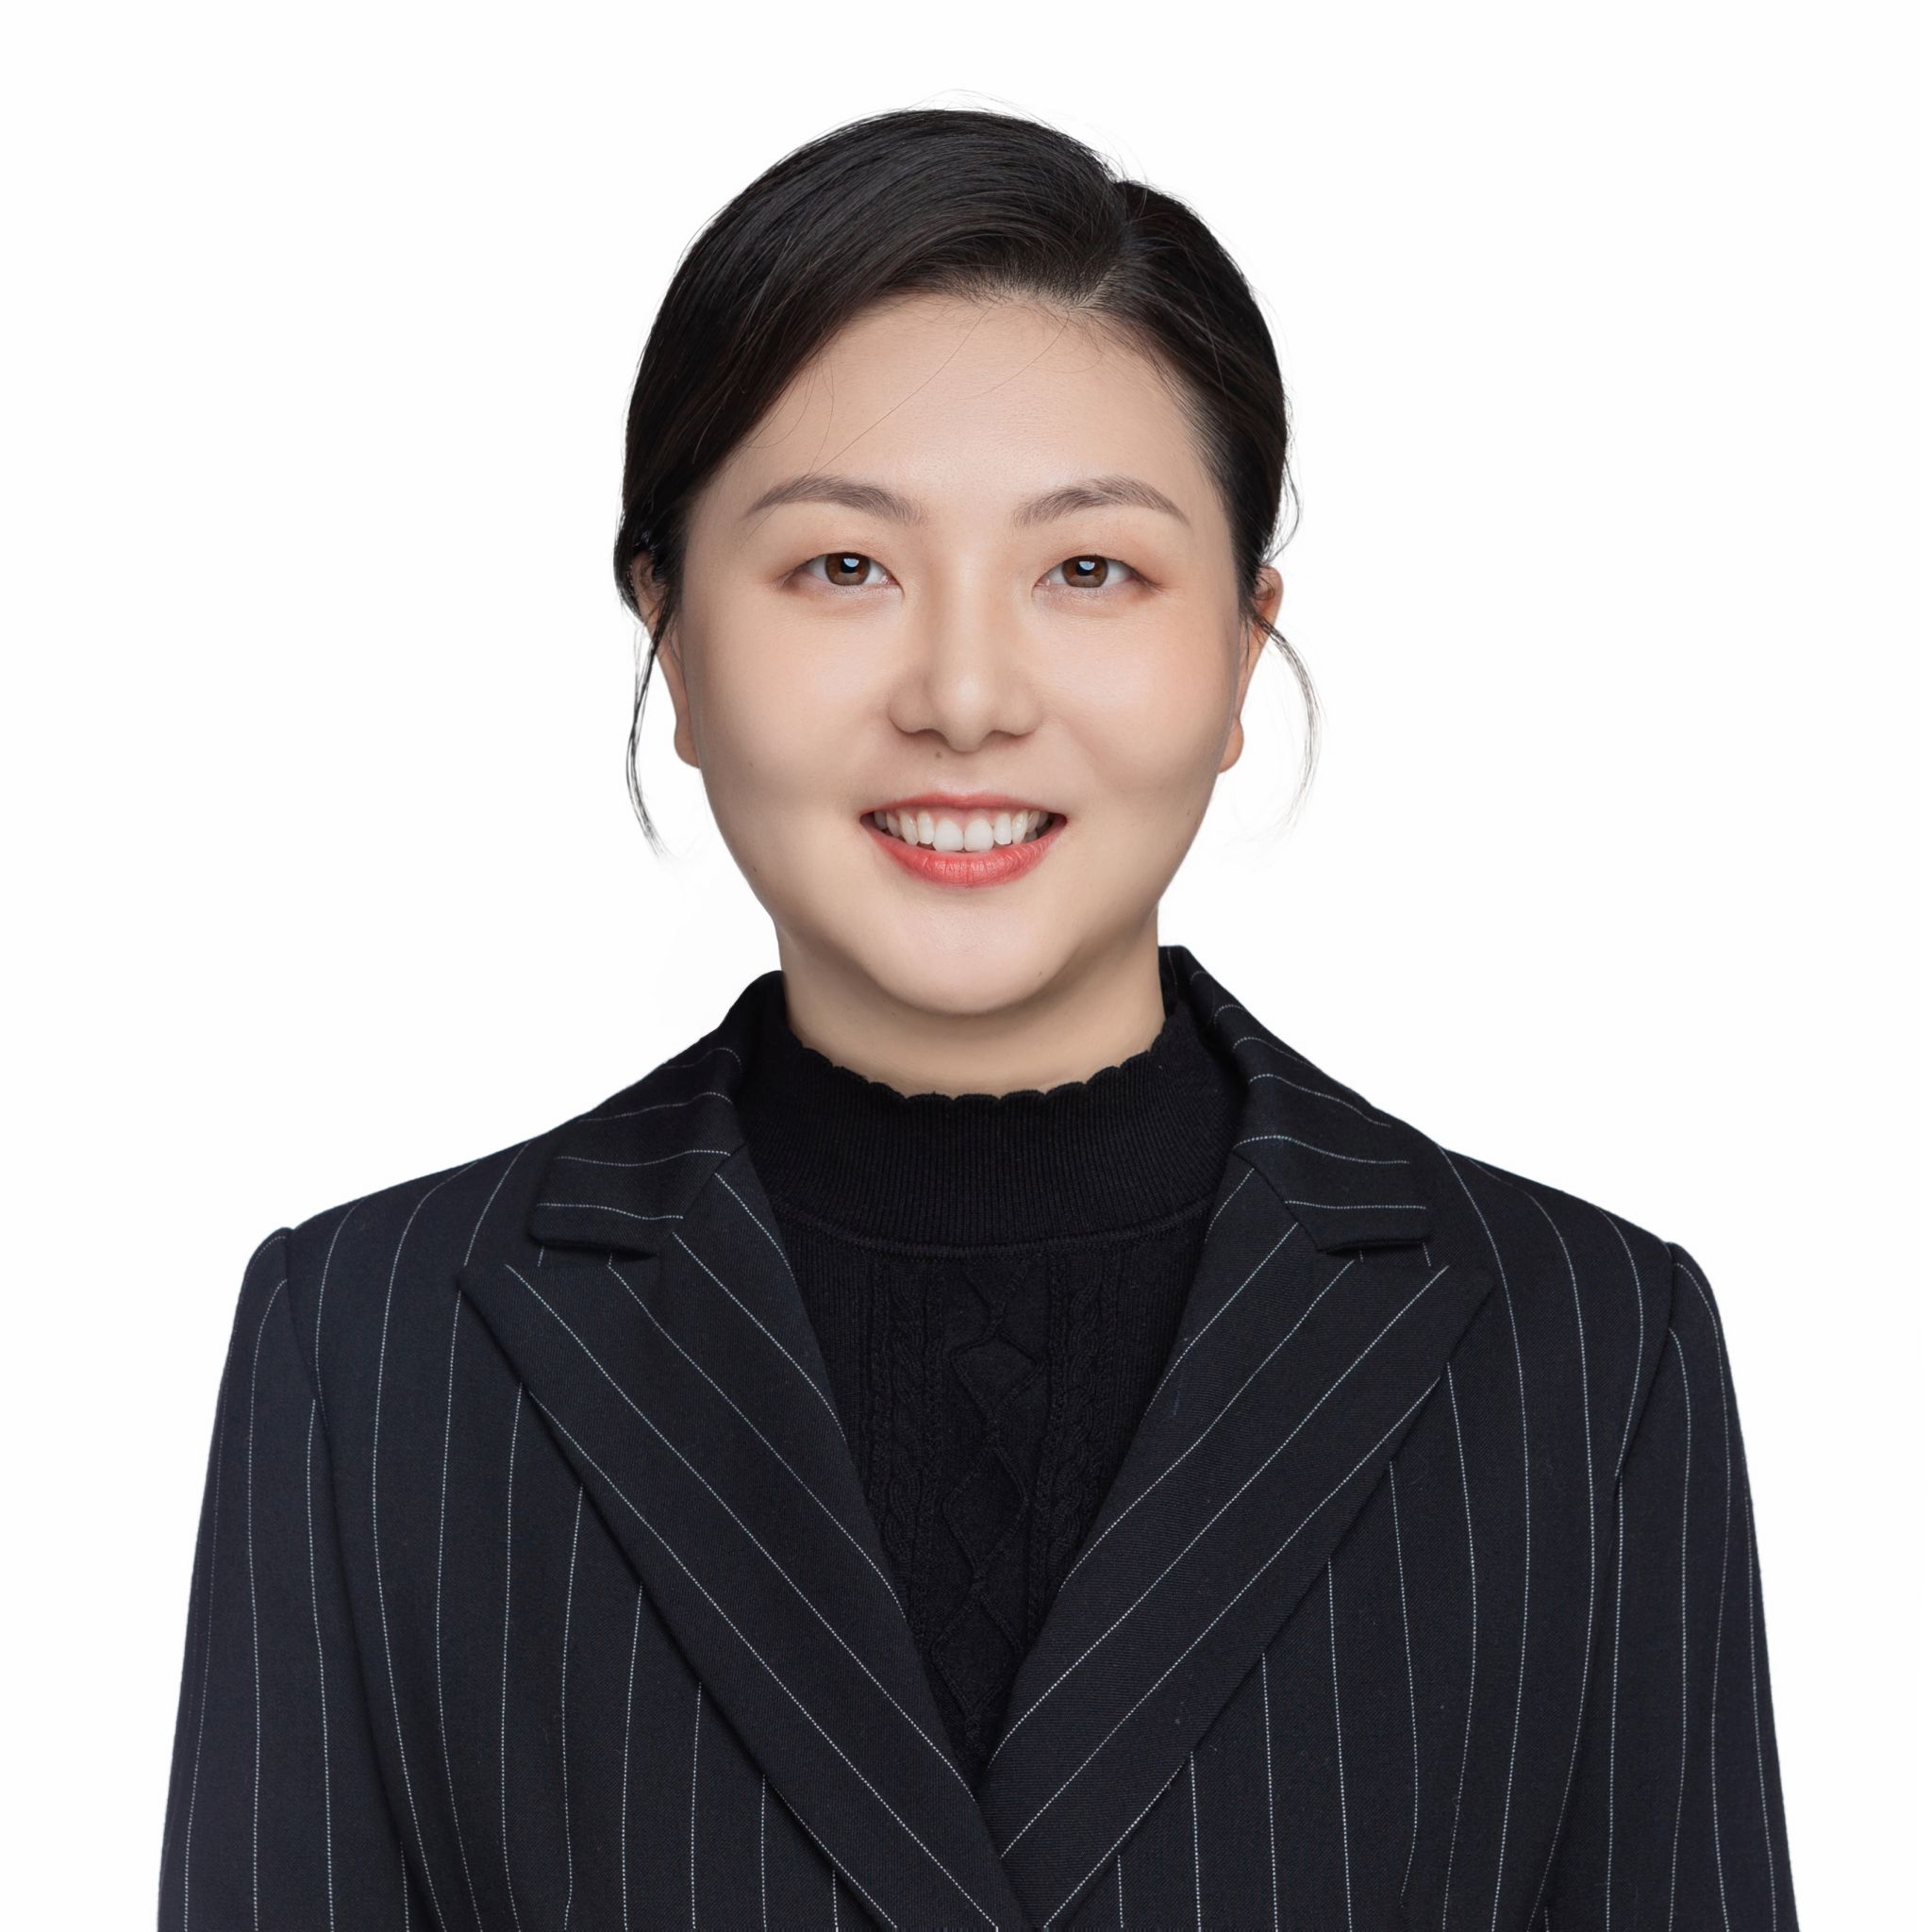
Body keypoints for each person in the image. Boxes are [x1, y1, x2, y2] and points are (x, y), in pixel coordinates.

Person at [158, 106, 1800, 1929]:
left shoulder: (1584, 1352)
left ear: (1242, 647)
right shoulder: (375, 1350)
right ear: (671, 637)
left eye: (1089, 570)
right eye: (842, 568)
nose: (961, 694)